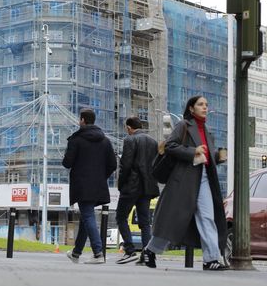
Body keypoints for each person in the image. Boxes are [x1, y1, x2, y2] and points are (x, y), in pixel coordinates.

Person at [141, 96, 228, 271]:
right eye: (200, 104)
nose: (205, 107)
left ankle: (210, 259)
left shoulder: (208, 132)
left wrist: (218, 157)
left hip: (203, 178)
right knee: (171, 219)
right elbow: (170, 146)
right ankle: (150, 250)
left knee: (207, 218)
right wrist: (192, 151)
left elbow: (206, 157)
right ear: (191, 108)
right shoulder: (183, 126)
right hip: (184, 179)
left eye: (206, 104)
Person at [62, 108, 117, 264]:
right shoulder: (105, 140)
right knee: (87, 216)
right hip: (98, 185)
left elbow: (67, 163)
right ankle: (76, 253)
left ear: (83, 120)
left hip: (82, 184)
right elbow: (113, 164)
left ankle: (98, 253)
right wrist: (100, 177)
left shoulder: (76, 139)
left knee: (87, 216)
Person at [115, 116, 159, 264]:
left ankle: (129, 250)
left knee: (121, 217)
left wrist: (121, 184)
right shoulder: (153, 142)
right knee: (144, 222)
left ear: (129, 128)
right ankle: (147, 255)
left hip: (131, 185)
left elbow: (125, 165)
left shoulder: (129, 140)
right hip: (147, 187)